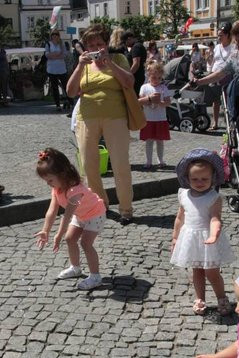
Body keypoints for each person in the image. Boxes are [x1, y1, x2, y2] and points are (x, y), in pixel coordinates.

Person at [67, 24, 136, 225]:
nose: (96, 48)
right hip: (87, 117)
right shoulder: (84, 64)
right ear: (86, 47)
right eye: (92, 44)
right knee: (89, 166)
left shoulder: (118, 59)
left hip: (115, 116)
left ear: (106, 44)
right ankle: (100, 205)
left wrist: (110, 64)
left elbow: (129, 82)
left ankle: (126, 209)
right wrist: (80, 65)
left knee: (120, 164)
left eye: (100, 43)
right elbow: (71, 91)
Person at [170, 149, 235, 316]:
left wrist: (214, 235)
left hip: (207, 238)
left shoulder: (213, 198)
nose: (199, 182)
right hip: (190, 238)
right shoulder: (183, 194)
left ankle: (221, 297)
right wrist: (175, 238)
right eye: (195, 179)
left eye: (204, 179)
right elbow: (180, 217)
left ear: (213, 178)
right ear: (187, 178)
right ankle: (200, 298)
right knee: (196, 270)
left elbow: (215, 218)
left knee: (212, 272)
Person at [34, 148, 107, 291]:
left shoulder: (75, 191)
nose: (48, 184)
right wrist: (45, 230)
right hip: (81, 215)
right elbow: (52, 210)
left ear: (62, 174)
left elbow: (67, 216)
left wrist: (58, 234)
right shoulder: (57, 188)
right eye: (46, 181)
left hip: (95, 214)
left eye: (50, 180)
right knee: (70, 239)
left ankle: (95, 276)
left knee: (86, 243)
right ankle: (75, 268)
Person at [138, 61, 172, 169]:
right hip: (148, 119)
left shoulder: (163, 88)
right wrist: (149, 100)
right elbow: (140, 101)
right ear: (149, 75)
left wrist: (160, 103)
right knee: (149, 141)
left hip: (160, 118)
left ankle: (160, 160)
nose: (156, 80)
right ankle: (148, 161)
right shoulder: (144, 87)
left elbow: (168, 102)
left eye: (159, 78)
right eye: (154, 77)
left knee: (160, 141)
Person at [209, 23, 236, 130]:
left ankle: (230, 122)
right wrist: (210, 72)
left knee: (228, 100)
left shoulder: (233, 47)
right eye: (218, 35)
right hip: (215, 75)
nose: (219, 37)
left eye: (221, 35)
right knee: (215, 101)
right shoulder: (217, 47)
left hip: (227, 76)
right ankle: (215, 123)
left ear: (228, 35)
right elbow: (214, 61)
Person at [45, 30, 71, 112]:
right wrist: (57, 54)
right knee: (54, 88)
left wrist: (54, 55)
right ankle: (57, 105)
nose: (55, 36)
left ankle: (70, 102)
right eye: (53, 34)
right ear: (51, 36)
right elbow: (47, 55)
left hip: (61, 69)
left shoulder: (61, 44)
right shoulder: (48, 44)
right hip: (52, 69)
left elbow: (64, 54)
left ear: (58, 36)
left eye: (56, 34)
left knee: (66, 86)